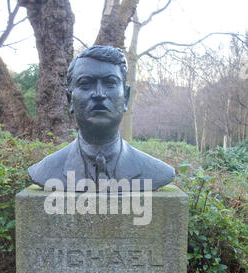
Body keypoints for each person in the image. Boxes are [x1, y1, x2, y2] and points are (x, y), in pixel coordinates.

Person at [28, 45, 175, 191]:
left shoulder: (157, 172)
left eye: (110, 83)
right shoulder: (45, 171)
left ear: (125, 97)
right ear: (70, 100)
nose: (99, 94)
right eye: (85, 83)